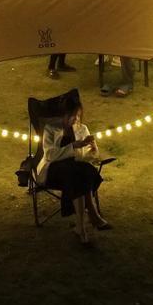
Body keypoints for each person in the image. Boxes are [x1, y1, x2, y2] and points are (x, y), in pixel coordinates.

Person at [36, 101, 111, 244]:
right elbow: (50, 155)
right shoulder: (51, 129)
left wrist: (93, 150)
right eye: (72, 116)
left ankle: (81, 227)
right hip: (53, 170)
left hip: (75, 171)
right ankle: (91, 216)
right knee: (78, 173)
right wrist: (73, 146)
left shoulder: (82, 129)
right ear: (63, 115)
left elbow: (85, 158)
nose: (75, 119)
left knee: (84, 171)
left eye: (78, 115)